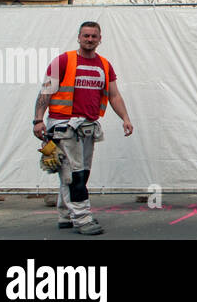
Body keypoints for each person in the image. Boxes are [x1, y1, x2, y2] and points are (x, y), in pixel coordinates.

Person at [32, 22, 134, 235]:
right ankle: (82, 218)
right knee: (74, 175)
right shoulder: (63, 61)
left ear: (100, 39)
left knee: (79, 173)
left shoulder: (104, 65)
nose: (89, 39)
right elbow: (46, 92)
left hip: (88, 126)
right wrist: (38, 120)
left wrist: (125, 117)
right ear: (78, 37)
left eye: (93, 36)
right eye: (86, 36)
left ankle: (65, 214)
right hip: (63, 126)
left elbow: (114, 95)